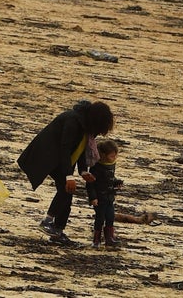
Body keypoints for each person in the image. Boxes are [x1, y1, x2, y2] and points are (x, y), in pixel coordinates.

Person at [17, 99, 114, 246]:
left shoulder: (86, 126)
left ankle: (58, 232)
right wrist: (69, 176)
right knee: (65, 189)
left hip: (61, 160)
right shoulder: (73, 121)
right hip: (48, 156)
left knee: (67, 193)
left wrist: (82, 171)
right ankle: (48, 222)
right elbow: (65, 149)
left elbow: (81, 148)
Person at [86, 139, 123, 248]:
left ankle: (109, 238)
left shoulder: (111, 164)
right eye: (112, 156)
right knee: (100, 218)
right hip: (99, 198)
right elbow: (90, 184)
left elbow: (110, 178)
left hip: (109, 197)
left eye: (115, 156)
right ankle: (96, 240)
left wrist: (116, 183)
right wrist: (93, 197)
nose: (114, 158)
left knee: (110, 217)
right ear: (103, 155)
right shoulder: (96, 167)